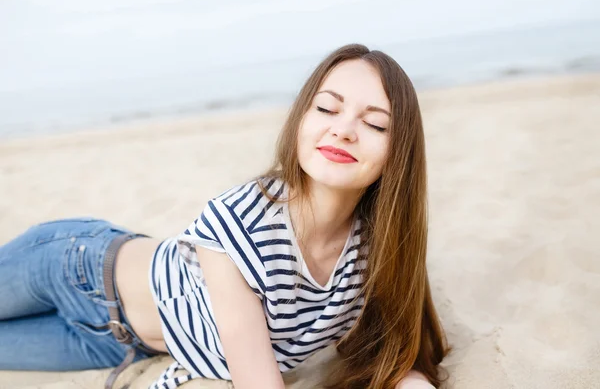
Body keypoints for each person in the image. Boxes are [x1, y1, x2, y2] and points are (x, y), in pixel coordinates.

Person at [0, 44, 450, 389]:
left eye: (375, 124)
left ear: (399, 154)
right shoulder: (239, 221)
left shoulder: (375, 250)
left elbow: (395, 348)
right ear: (300, 120)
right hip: (73, 267)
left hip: (115, 343)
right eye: (327, 108)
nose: (343, 129)